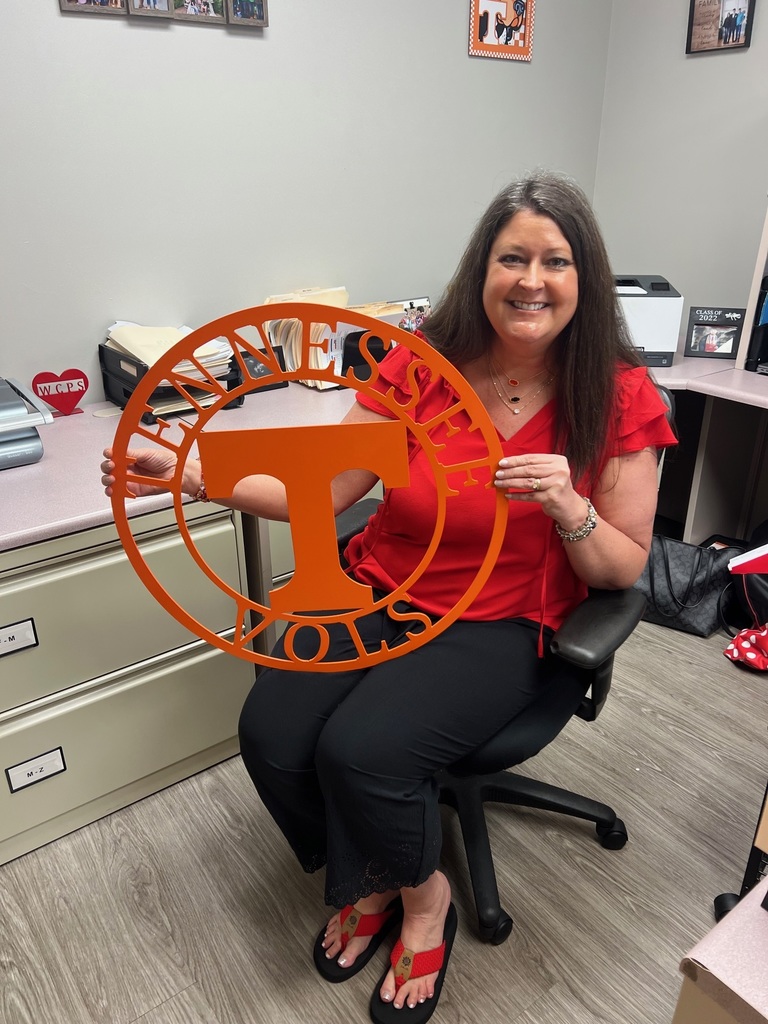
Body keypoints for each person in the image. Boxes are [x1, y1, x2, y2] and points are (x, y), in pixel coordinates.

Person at [100, 171, 677, 1024]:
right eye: (512, 256)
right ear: (480, 270)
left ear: (582, 280)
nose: (531, 279)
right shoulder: (418, 370)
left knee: (363, 751)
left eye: (556, 261)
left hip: (502, 618)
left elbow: (622, 570)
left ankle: (421, 898)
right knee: (273, 729)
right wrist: (189, 471)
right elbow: (325, 489)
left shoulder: (620, 395)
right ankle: (372, 869)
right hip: (381, 588)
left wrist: (568, 505)